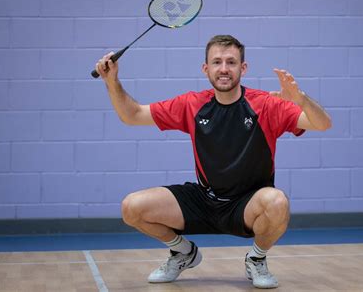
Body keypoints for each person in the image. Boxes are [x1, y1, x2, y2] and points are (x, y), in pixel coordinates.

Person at [95, 35, 332, 289]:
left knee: (277, 202)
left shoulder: (266, 105)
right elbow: (132, 115)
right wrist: (112, 81)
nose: (224, 69)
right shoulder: (192, 104)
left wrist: (301, 99)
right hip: (204, 199)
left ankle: (256, 258)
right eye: (217, 62)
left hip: (248, 204)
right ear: (205, 69)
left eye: (231, 62)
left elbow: (322, 124)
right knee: (132, 207)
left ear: (243, 68)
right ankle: (183, 252)